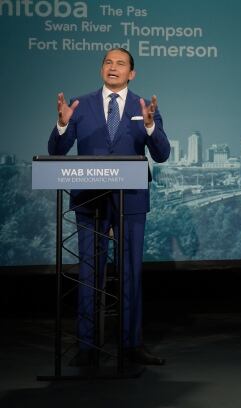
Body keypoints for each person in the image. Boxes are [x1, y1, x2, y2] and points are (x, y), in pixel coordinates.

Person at [48, 48, 170, 366]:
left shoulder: (144, 107)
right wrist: (61, 126)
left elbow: (162, 155)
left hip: (130, 197)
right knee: (89, 270)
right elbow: (57, 152)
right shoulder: (80, 104)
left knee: (130, 271)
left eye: (120, 64)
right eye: (107, 63)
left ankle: (131, 345)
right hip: (89, 197)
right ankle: (87, 345)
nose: (112, 68)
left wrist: (150, 128)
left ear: (132, 73)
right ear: (101, 69)